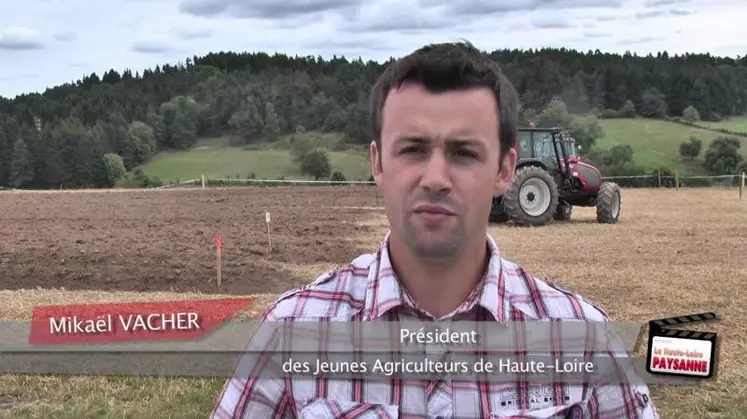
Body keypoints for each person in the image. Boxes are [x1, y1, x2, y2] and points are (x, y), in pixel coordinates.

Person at [210, 41, 659, 419]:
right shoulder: (292, 332)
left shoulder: (585, 341)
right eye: (412, 149)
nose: (436, 177)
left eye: (464, 152)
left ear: (505, 168)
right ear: (377, 163)